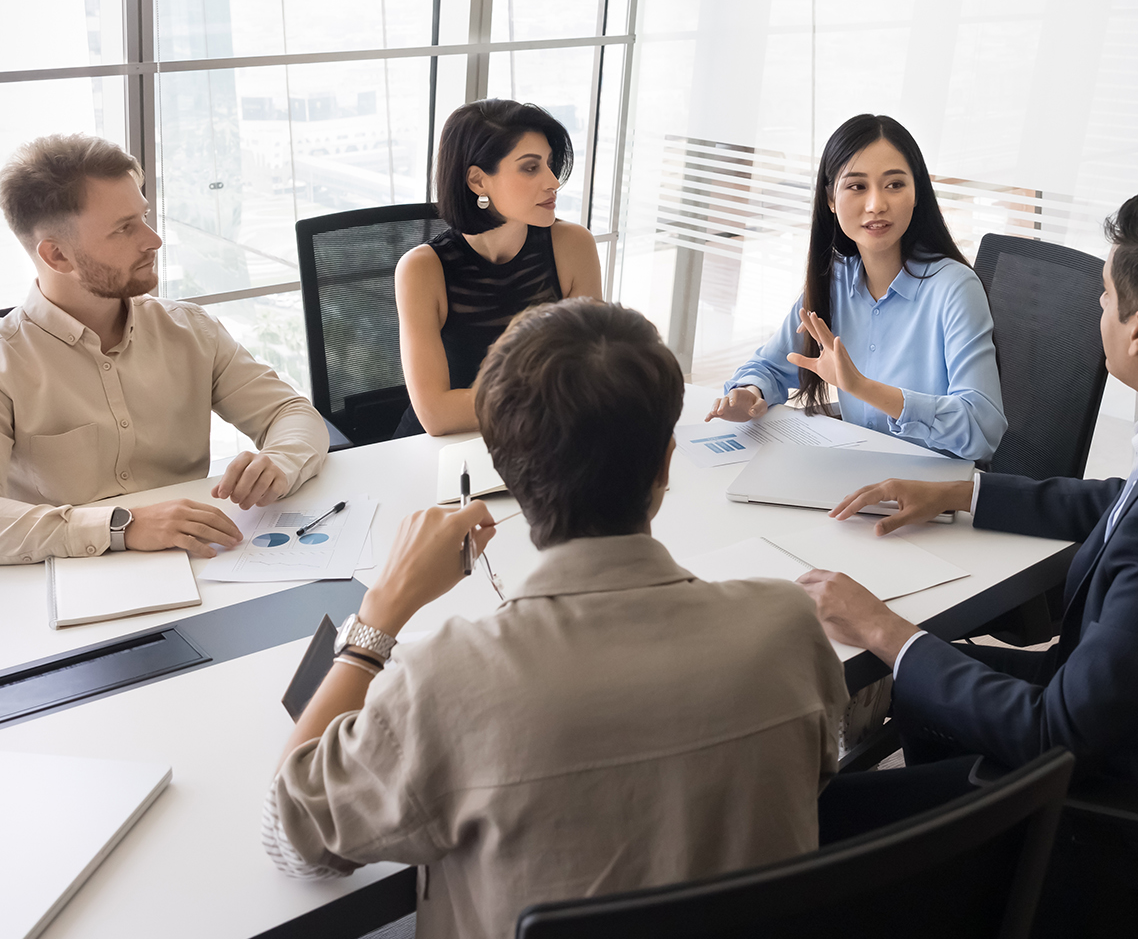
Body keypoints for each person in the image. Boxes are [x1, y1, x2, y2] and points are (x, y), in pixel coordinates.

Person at [263, 300, 849, 939]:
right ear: (665, 463)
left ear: (507, 470)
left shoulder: (443, 681)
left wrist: (379, 615)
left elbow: (293, 839)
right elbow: (815, 780)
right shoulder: (788, 626)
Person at [802, 186, 1138, 929]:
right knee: (920, 688)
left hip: (1122, 811)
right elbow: (1125, 500)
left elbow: (1050, 732)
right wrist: (962, 494)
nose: (1094, 312)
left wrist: (883, 630)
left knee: (818, 820)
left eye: (1102, 296)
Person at [0, 134, 328, 566]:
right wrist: (123, 526)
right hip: (67, 580)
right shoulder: (8, 364)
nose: (153, 240)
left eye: (145, 217)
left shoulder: (190, 329)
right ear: (57, 255)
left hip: (205, 561)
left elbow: (292, 414)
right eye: (123, 228)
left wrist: (279, 462)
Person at [707, 113, 1006, 463]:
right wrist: (749, 392)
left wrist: (861, 387)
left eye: (894, 185)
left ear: (916, 194)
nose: (876, 204)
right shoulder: (834, 281)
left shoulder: (955, 289)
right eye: (857, 186)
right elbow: (774, 365)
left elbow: (981, 430)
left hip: (932, 494)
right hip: (858, 472)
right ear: (831, 199)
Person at [392, 99, 603, 437]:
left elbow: (592, 375)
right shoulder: (421, 270)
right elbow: (436, 415)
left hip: (540, 441)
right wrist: (557, 395)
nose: (553, 182)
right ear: (478, 181)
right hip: (441, 454)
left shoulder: (573, 246)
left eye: (549, 164)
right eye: (531, 167)